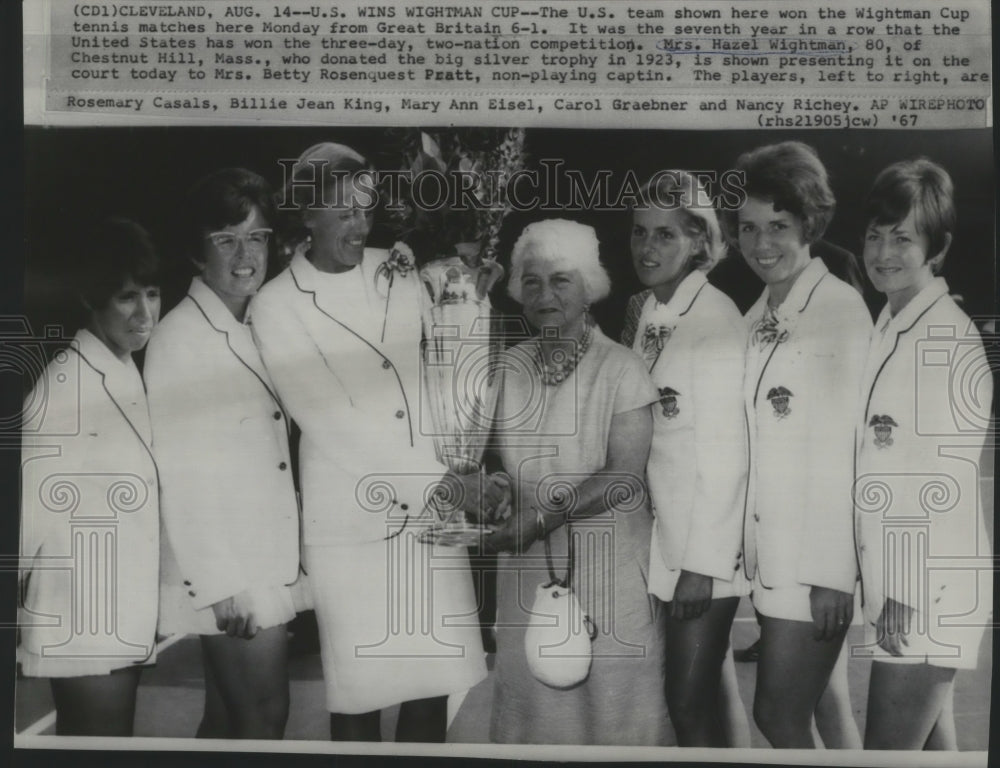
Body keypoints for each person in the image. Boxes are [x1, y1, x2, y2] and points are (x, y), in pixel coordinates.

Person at [249, 143, 490, 743]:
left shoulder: (401, 269)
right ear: (306, 214)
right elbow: (330, 419)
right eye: (343, 211)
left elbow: (450, 362)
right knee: (358, 698)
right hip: (353, 525)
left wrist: (475, 299)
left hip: (432, 515)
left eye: (366, 210)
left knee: (433, 686)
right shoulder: (276, 306)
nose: (360, 225)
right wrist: (440, 481)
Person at [483, 218, 669, 746]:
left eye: (561, 279)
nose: (544, 293)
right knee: (532, 720)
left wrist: (543, 517)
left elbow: (623, 477)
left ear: (590, 289)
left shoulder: (623, 368)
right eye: (532, 280)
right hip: (525, 571)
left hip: (608, 572)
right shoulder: (509, 366)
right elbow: (497, 459)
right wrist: (494, 487)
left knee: (613, 720)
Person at [721, 142, 872, 748]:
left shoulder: (837, 310)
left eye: (778, 226)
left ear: (808, 223)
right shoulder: (758, 310)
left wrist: (835, 574)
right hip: (774, 556)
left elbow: (847, 451)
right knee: (829, 713)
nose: (762, 244)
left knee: (778, 718)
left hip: (814, 567)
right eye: (748, 227)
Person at [144, 168, 303, 739]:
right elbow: (180, 476)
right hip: (232, 571)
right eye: (226, 239)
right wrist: (222, 583)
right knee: (264, 718)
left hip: (259, 559)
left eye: (257, 237)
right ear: (195, 251)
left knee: (227, 719)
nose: (245, 255)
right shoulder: (180, 340)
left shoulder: (249, 325)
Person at [855, 158, 992, 750]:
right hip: (906, 583)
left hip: (925, 590)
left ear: (937, 248)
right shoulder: (893, 320)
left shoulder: (943, 338)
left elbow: (944, 485)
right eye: (875, 235)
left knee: (886, 756)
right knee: (935, 755)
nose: (884, 251)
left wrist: (905, 595)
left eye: (903, 238)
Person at [19, 217, 162, 735]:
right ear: (90, 299)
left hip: (119, 615)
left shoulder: (123, 371)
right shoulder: (65, 388)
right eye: (127, 297)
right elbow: (23, 523)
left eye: (151, 292)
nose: (145, 312)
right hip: (81, 621)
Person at [622, 172, 748, 746]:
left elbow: (729, 455)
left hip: (703, 551)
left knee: (685, 703)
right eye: (640, 232)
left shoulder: (715, 319)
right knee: (707, 699)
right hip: (664, 539)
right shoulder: (652, 308)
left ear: (699, 242)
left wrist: (701, 564)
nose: (648, 248)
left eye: (665, 235)